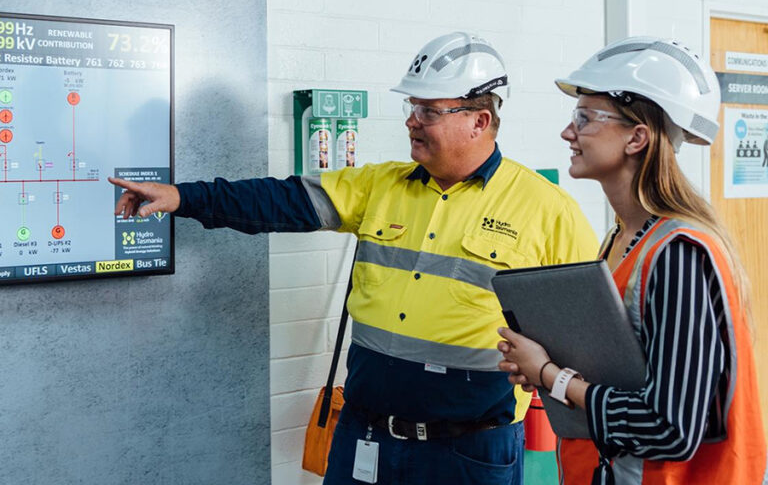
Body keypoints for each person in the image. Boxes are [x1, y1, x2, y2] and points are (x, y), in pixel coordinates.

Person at [110, 31, 598, 485]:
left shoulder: (547, 211)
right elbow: (279, 202)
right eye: (412, 107)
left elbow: (586, 344)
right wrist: (181, 197)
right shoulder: (380, 186)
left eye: (429, 111)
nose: (411, 120)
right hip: (367, 438)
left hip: (471, 453)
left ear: (479, 120)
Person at [497, 36, 768, 485]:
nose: (569, 133)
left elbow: (671, 427)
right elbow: (624, 377)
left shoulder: (679, 253)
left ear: (637, 137)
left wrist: (551, 374)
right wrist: (543, 368)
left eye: (584, 119)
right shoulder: (621, 238)